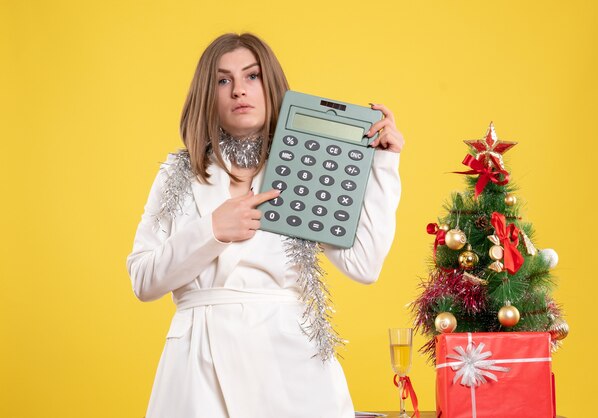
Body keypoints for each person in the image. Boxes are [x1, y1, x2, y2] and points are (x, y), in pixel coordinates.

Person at [127, 32, 404, 418]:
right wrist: (212, 230)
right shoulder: (179, 173)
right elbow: (143, 279)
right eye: (224, 80)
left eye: (252, 76)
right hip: (196, 368)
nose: (239, 90)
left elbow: (364, 266)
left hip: (289, 366)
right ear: (209, 95)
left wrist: (383, 167)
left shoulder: (305, 168)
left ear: (271, 85)